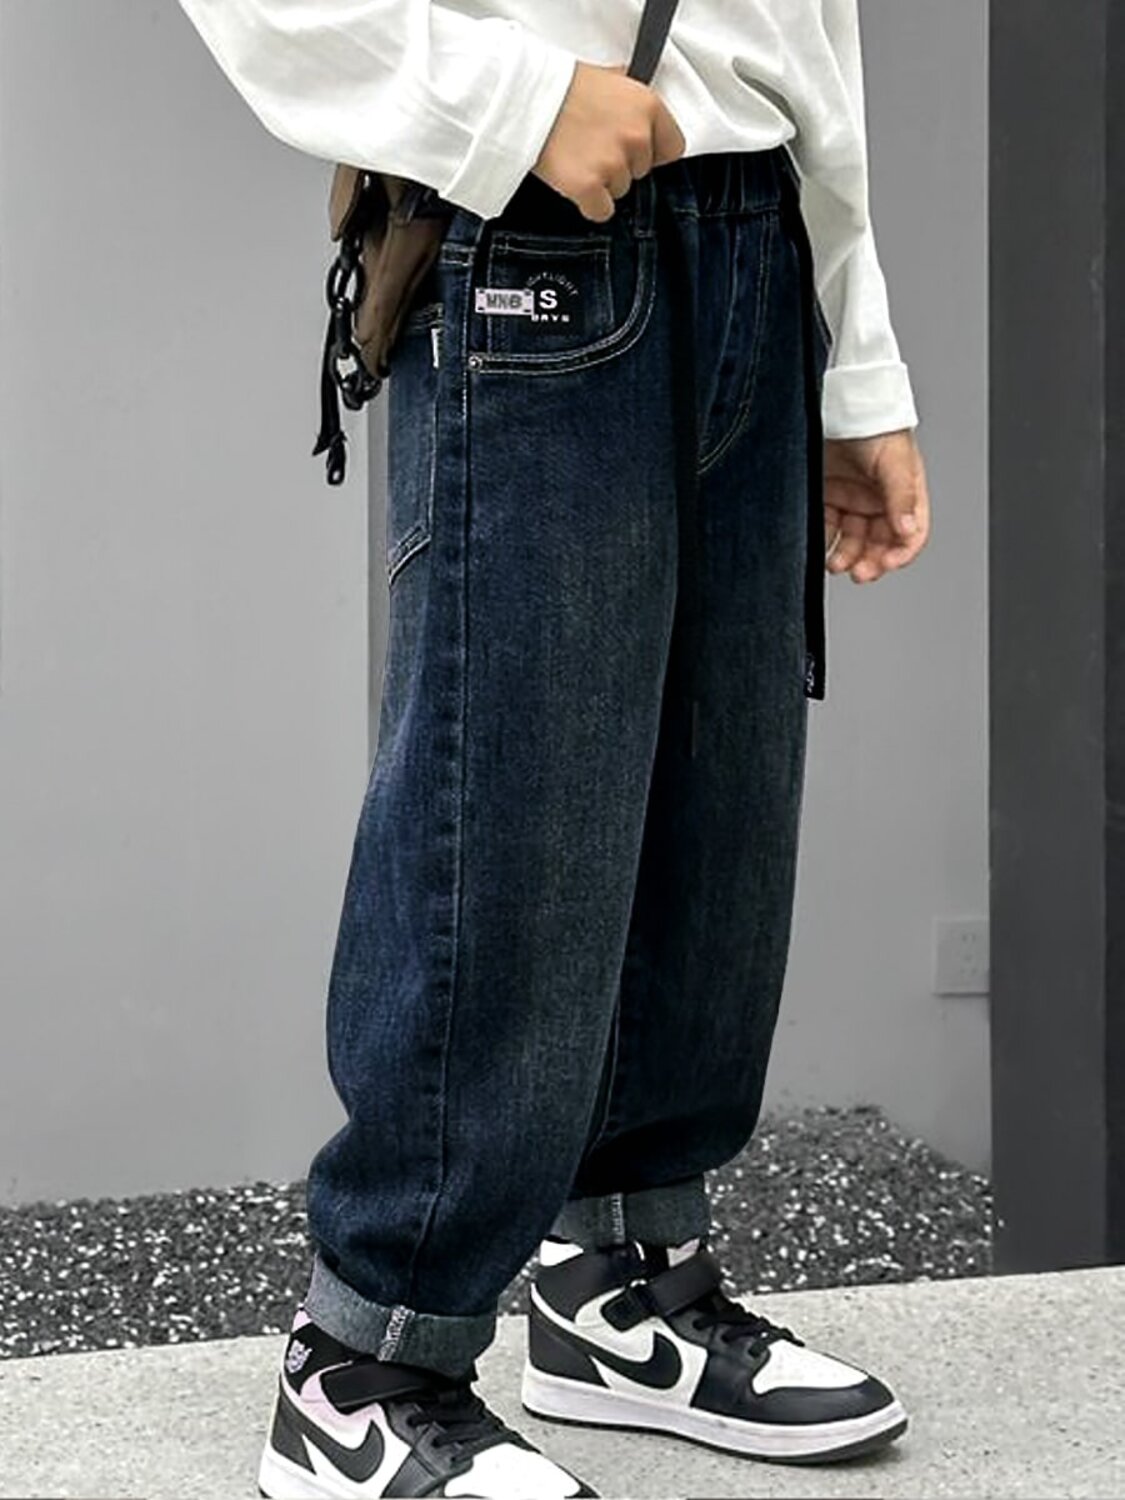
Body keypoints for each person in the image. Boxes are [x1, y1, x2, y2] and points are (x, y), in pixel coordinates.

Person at [177, 3, 932, 1495]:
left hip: (756, 232)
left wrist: (859, 360)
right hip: (537, 224)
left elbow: (810, 28)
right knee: (512, 806)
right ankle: (366, 1367)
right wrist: (506, 101)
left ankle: (619, 1290)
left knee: (715, 806)